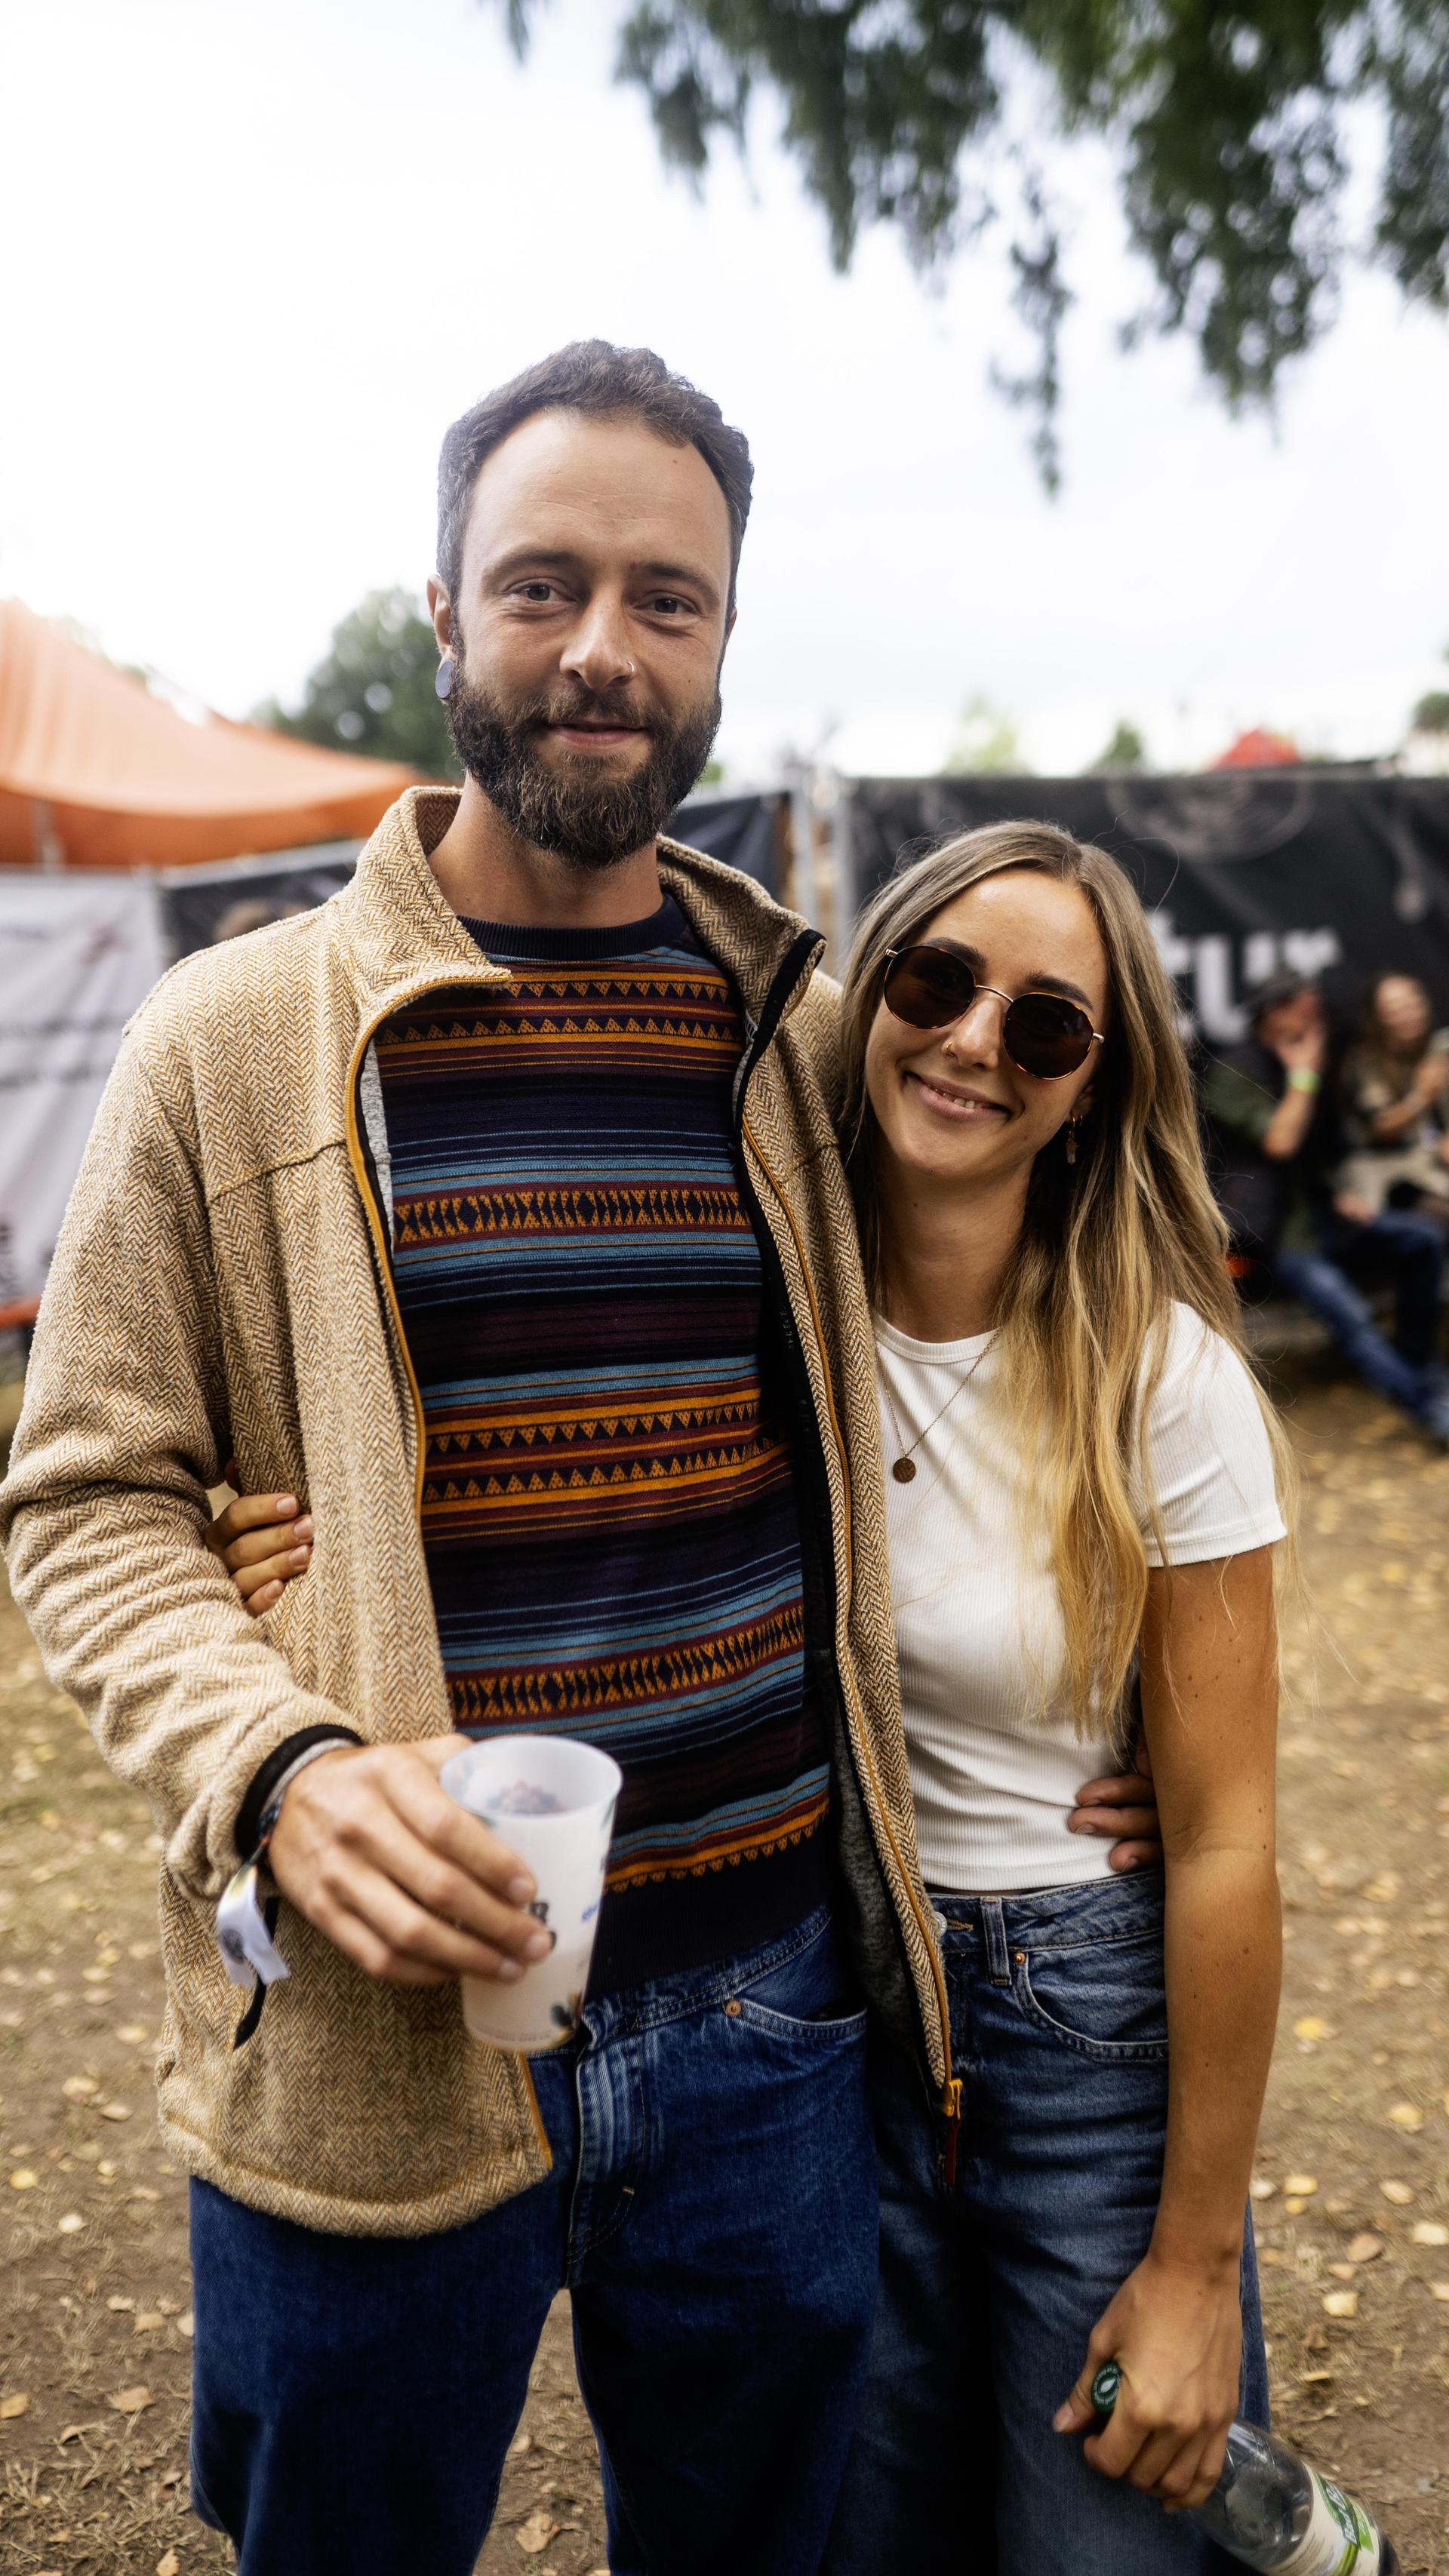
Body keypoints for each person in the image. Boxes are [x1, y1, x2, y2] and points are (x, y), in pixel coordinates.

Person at [0, 343, 1158, 2576]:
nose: (603, 649)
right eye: (541, 585)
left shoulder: (813, 1045)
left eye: (668, 597)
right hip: (372, 2033)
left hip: (767, 2021)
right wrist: (283, 1751)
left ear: (724, 640)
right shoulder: (228, 1045)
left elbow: (1058, 1309)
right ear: (442, 613)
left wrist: (1110, 1716)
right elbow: (88, 1492)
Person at [223, 820, 1281, 2574]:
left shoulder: (1162, 1378)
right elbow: (544, 1437)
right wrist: (287, 1534)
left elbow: (1236, 1836)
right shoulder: (766, 1292)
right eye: (938, 981)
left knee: (1099, 2544)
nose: (971, 1040)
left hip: (1075, 2010)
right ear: (866, 997)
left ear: (1094, 1087)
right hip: (831, 2007)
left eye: (1046, 1026)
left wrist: (1194, 2261)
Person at [1203, 973, 1449, 1444]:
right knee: (1349, 1312)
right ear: (1273, 1012)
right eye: (1302, 1006)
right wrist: (1302, 1075)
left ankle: (1419, 1367)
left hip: (1329, 1217)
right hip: (1277, 1235)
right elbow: (1281, 1141)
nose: (1314, 1015)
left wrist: (1342, 1192)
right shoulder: (1235, 1070)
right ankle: (1429, 1406)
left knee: (1423, 1240)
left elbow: (1320, 1152)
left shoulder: (1319, 1060)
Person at [1337, 972, 1449, 1223]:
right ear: (1378, 1017)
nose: (1408, 1015)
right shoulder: (1365, 1062)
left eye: (1411, 1005)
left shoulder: (1439, 1050)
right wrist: (1421, 1097)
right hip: (1383, 1173)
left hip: (1432, 1163)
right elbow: (1382, 1127)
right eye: (1395, 1009)